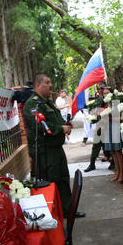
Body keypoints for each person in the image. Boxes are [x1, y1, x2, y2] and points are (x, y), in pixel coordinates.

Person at [23, 73, 85, 218]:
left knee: (63, 178)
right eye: (47, 82)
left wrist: (65, 125)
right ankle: (52, 215)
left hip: (56, 148)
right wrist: (60, 129)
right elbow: (41, 125)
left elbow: (56, 120)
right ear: (37, 85)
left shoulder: (48, 102)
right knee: (51, 181)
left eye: (50, 82)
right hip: (44, 151)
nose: (50, 85)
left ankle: (68, 211)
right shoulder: (32, 104)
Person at [84, 81, 112, 172]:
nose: (100, 90)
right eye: (99, 88)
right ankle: (92, 164)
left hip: (108, 125)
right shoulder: (98, 99)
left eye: (102, 88)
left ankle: (113, 163)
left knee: (110, 146)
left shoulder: (109, 99)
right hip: (100, 125)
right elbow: (94, 111)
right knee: (96, 145)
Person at [102, 87, 123, 182]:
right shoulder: (107, 105)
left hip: (116, 128)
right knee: (113, 152)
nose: (105, 95)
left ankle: (122, 175)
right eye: (104, 93)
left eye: (107, 93)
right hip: (109, 129)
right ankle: (117, 172)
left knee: (118, 152)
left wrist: (110, 119)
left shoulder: (116, 104)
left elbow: (122, 118)